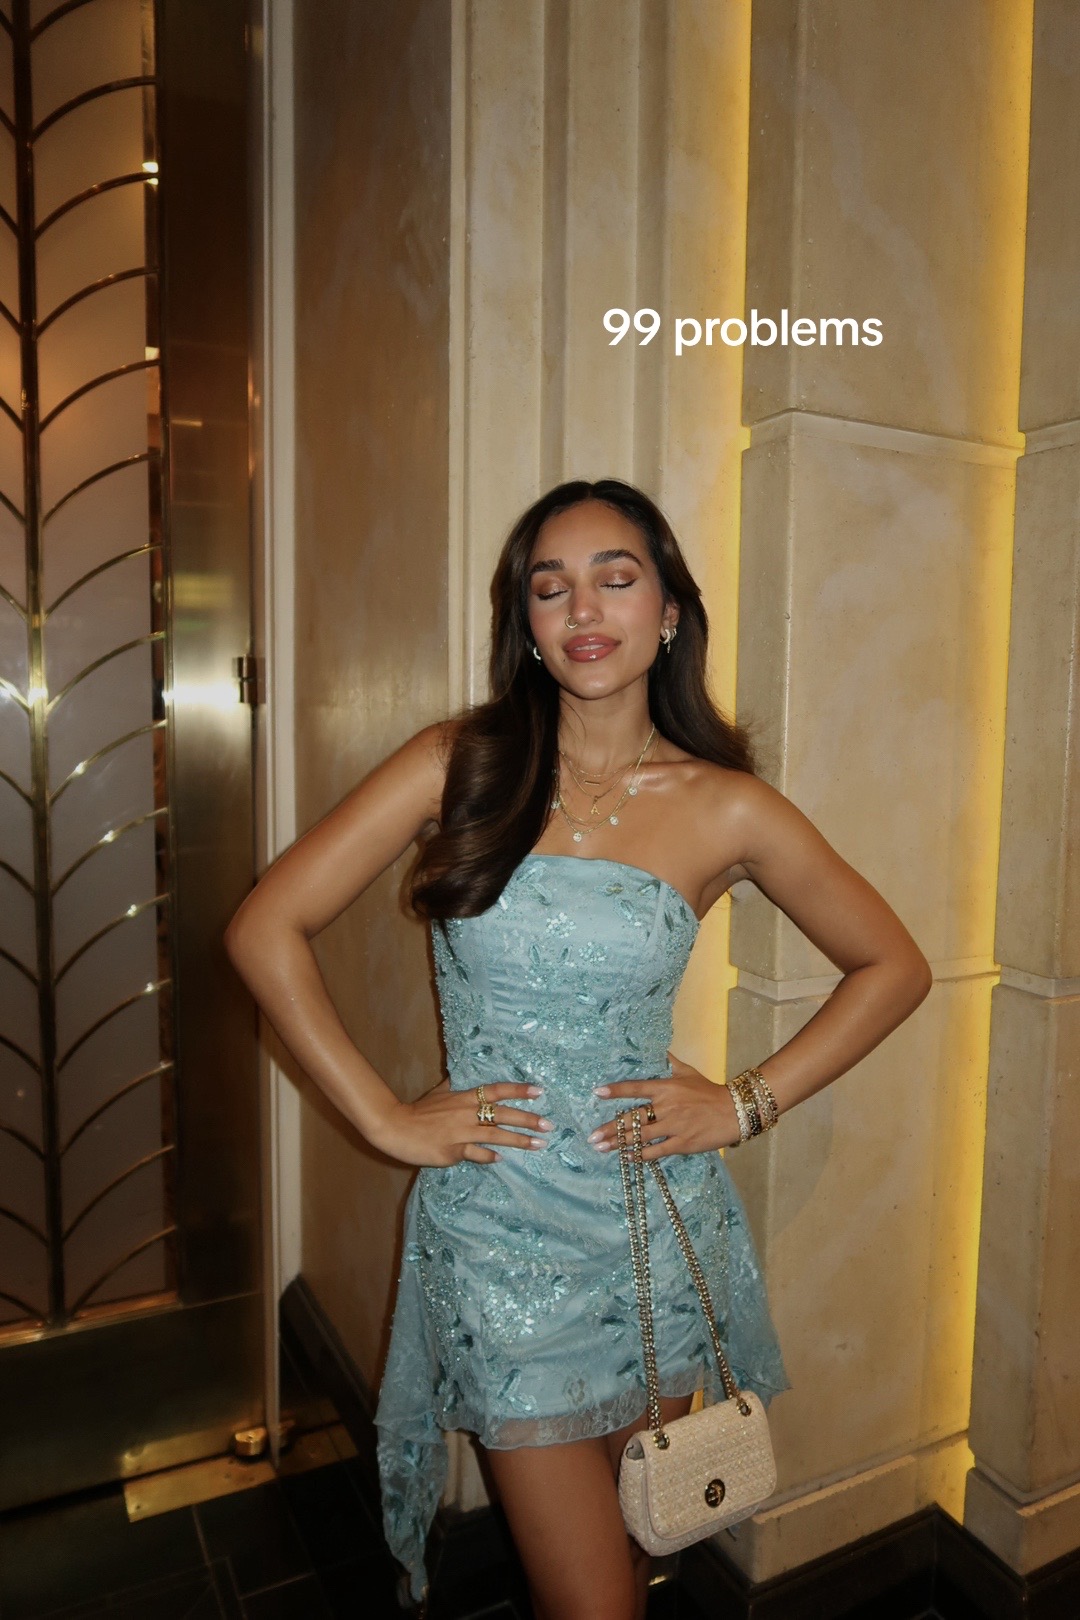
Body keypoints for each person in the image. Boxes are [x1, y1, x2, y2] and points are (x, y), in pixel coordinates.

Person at [224, 478, 932, 1620]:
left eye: (617, 577)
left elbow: (894, 965)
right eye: (550, 588)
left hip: (651, 1233)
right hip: (499, 1237)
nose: (584, 609)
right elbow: (265, 927)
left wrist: (742, 1103)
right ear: (528, 622)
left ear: (668, 612)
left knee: (639, 1550)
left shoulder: (726, 806)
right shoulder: (458, 763)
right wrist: (383, 1117)